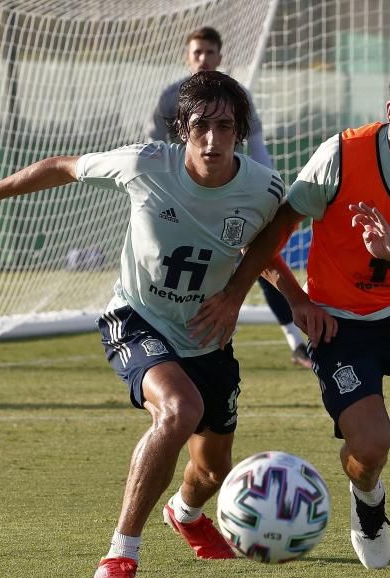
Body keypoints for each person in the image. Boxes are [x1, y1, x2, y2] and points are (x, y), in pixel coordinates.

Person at [0, 71, 309, 578]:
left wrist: (278, 299)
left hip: (206, 335)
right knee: (180, 409)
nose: (213, 139)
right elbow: (60, 167)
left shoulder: (263, 189)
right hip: (136, 318)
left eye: (225, 126)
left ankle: (187, 514)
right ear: (182, 129)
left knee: (214, 471)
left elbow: (263, 251)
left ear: (240, 130)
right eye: (201, 126)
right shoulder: (145, 164)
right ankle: (119, 555)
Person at [191, 57, 390, 572]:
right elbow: (270, 234)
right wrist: (291, 300)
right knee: (370, 446)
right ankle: (368, 504)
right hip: (339, 322)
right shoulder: (341, 156)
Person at [147, 25, 312, 370]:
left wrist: (272, 195)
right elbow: (154, 151)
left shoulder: (238, 98)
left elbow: (258, 146)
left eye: (210, 52)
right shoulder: (169, 98)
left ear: (220, 57)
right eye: (197, 53)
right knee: (175, 272)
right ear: (187, 57)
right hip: (181, 204)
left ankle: (297, 343)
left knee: (259, 261)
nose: (204, 59)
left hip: (229, 199)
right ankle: (158, 340)